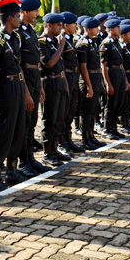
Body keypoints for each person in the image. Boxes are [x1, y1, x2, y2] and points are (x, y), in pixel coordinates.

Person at [0, 0, 32, 193]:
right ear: (9, 18)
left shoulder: (15, 38)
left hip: (18, 86)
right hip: (7, 88)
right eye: (17, 16)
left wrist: (26, 93)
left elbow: (19, 67)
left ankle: (12, 171)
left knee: (19, 130)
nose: (20, 19)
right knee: (5, 133)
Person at [16, 0, 48, 177]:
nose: (37, 14)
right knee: (24, 122)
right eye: (35, 11)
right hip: (25, 77)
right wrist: (26, 92)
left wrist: (40, 86)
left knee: (32, 121)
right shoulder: (18, 31)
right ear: (26, 11)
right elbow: (19, 63)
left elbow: (37, 61)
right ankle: (22, 162)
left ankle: (30, 159)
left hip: (35, 76)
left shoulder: (30, 30)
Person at [38, 13, 71, 167]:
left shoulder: (54, 41)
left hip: (59, 81)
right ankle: (47, 153)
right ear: (49, 26)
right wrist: (61, 46)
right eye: (58, 25)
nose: (61, 28)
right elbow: (49, 63)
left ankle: (54, 149)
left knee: (59, 118)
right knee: (49, 119)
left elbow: (60, 65)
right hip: (49, 82)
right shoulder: (42, 42)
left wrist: (65, 84)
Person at [76, 17, 106, 150]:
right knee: (87, 111)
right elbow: (83, 67)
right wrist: (88, 86)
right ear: (88, 29)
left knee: (93, 110)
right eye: (95, 27)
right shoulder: (83, 44)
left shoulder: (92, 42)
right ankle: (85, 139)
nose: (98, 29)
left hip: (96, 78)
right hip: (88, 79)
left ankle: (91, 136)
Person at [60, 12, 86, 154]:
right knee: (63, 111)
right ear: (66, 25)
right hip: (66, 75)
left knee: (71, 110)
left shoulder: (70, 38)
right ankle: (61, 143)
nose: (76, 26)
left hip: (74, 76)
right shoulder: (61, 39)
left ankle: (68, 140)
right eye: (73, 24)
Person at [100, 18, 127, 140]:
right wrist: (107, 83)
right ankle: (106, 129)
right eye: (117, 28)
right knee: (110, 103)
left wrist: (125, 80)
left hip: (120, 72)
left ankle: (114, 128)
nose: (120, 29)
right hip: (112, 73)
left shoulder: (117, 42)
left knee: (119, 102)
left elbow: (121, 63)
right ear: (111, 29)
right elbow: (103, 65)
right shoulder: (106, 43)